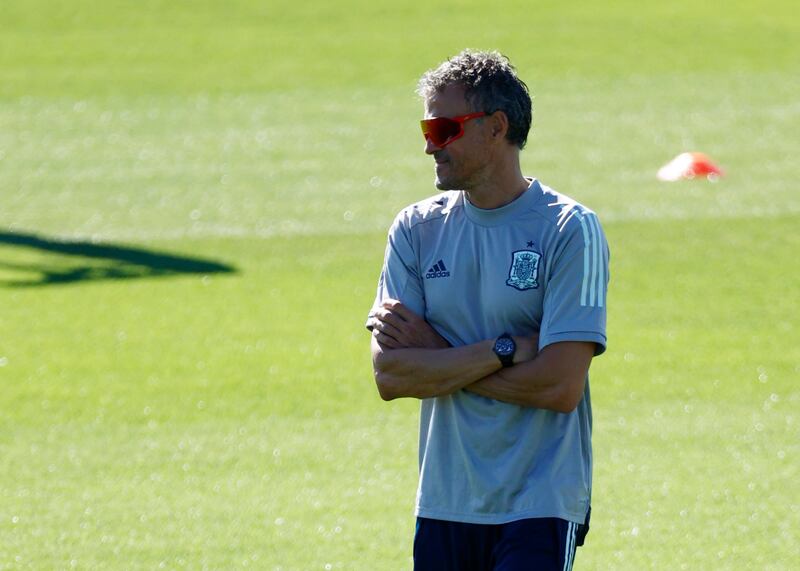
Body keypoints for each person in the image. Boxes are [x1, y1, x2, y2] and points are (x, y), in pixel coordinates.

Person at [365, 49, 609, 571]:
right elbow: (391, 374)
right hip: (446, 502)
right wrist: (505, 351)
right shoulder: (415, 230)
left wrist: (441, 358)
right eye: (426, 129)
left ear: (496, 127)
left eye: (444, 128)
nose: (430, 146)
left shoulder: (568, 230)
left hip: (540, 503)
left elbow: (559, 387)